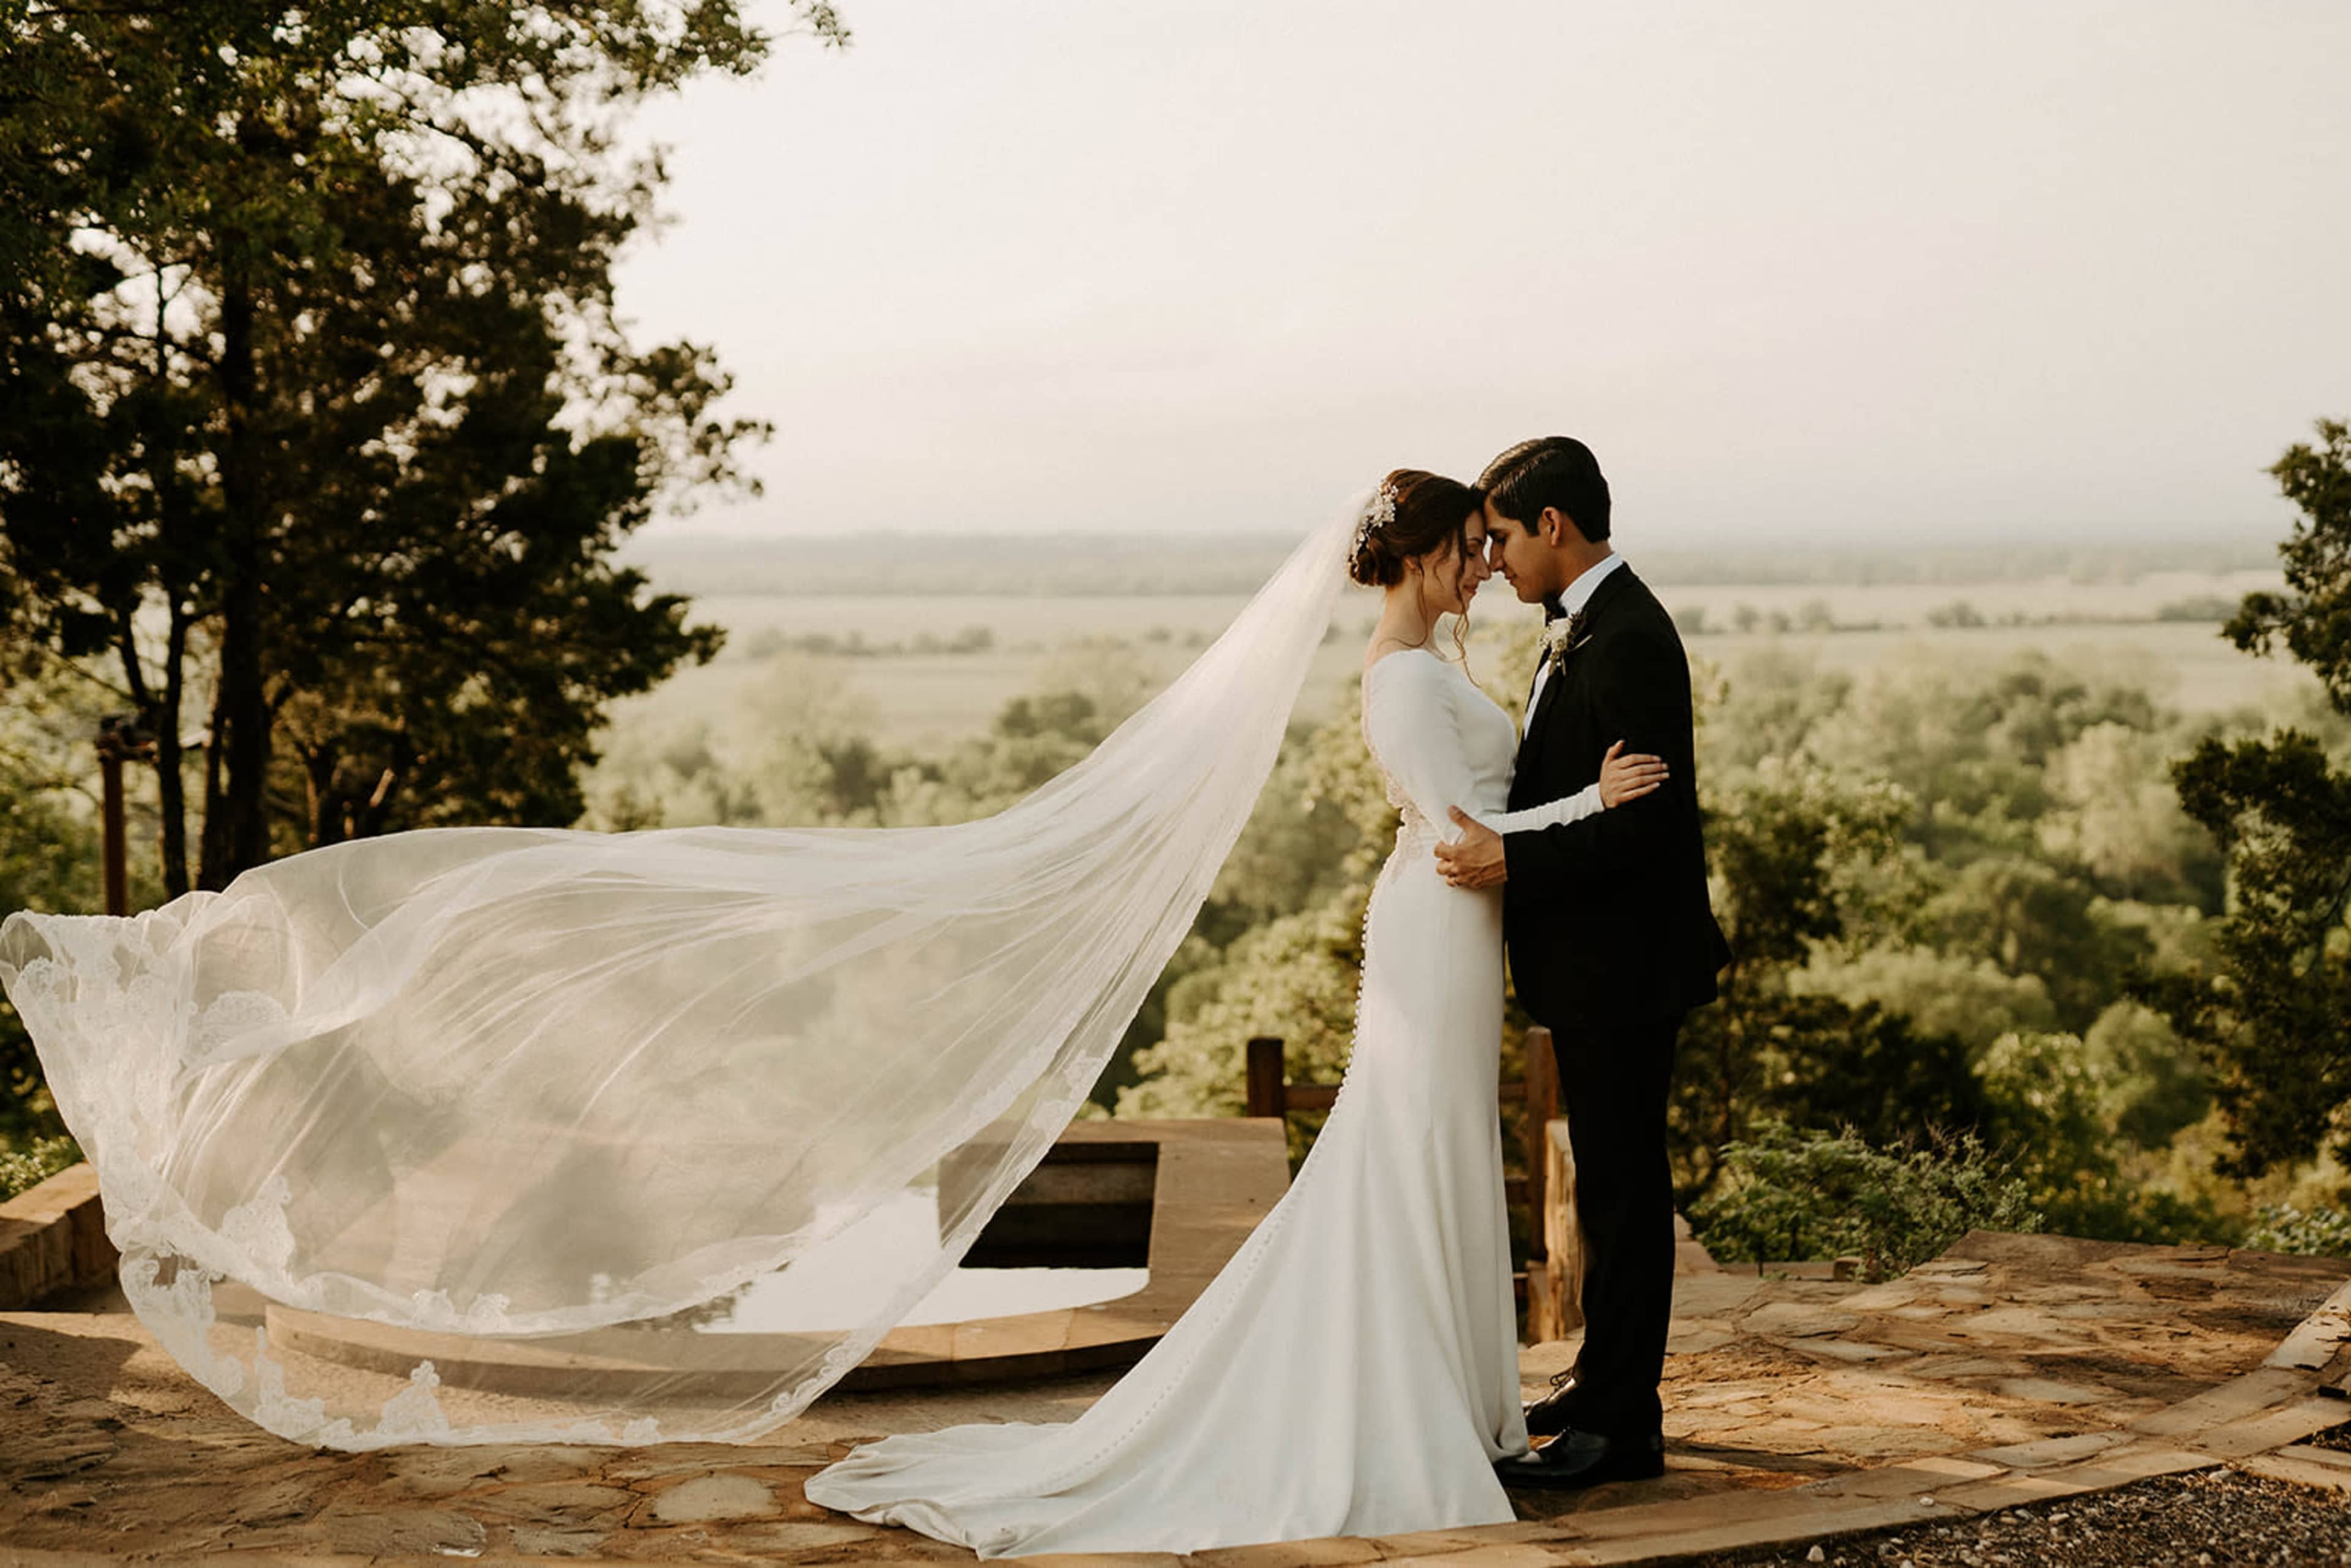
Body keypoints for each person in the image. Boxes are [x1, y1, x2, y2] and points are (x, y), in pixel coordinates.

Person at [802, 469, 1671, 1555]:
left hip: (1455, 934)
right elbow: (1466, 842)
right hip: (1442, 927)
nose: (1480, 564)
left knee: (1435, 1147)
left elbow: (1484, 827)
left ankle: (1452, 1395)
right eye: (1462, 544)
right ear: (1410, 556)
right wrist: (1596, 798)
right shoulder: (1401, 682)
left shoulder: (1419, 665)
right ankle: (1404, 1403)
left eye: (1486, 542)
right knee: (1413, 1149)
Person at [1436, 436, 1734, 1490]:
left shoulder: (1629, 639)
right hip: (1597, 963)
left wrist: (1508, 853)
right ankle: (1603, 1385)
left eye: (1506, 538)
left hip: (1629, 964)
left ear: (1553, 527)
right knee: (1608, 1186)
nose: (1500, 560)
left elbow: (1645, 829)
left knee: (1622, 1192)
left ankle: (1624, 1426)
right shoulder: (1588, 627)